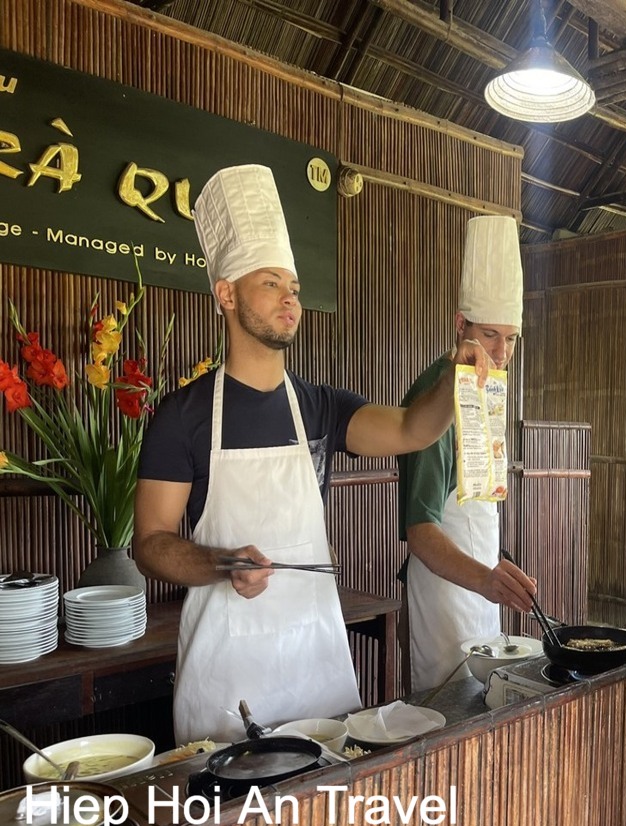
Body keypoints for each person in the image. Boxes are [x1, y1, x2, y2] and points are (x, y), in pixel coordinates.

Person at [134, 165, 491, 743]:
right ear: (226, 294)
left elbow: (411, 430)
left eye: (294, 288)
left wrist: (457, 374)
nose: (289, 299)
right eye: (271, 283)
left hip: (316, 663)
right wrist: (221, 564)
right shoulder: (183, 416)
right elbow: (150, 543)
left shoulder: (319, 407)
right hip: (229, 680)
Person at [398, 215, 536, 692]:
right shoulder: (437, 396)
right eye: (490, 335)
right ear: (461, 325)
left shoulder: (487, 390)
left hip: (481, 588)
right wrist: (485, 580)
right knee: (449, 709)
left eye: (511, 338)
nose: (501, 352)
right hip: (445, 597)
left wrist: (492, 577)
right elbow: (421, 532)